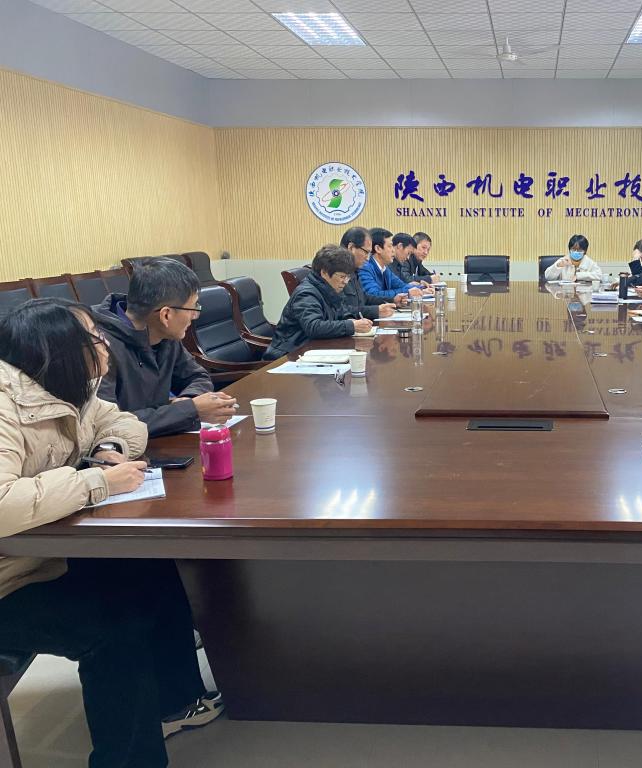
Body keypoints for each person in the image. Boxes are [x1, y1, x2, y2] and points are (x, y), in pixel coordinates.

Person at [0, 298, 222, 768]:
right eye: (94, 337)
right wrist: (96, 482)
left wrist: (107, 448)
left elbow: (124, 421)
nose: (105, 344)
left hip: (40, 556)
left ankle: (176, 702)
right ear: (58, 349)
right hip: (8, 581)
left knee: (152, 569)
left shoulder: (68, 390)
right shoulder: (6, 406)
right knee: (115, 626)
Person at [94, 257, 236, 437]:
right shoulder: (99, 348)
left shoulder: (164, 335)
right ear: (166, 315)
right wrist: (188, 410)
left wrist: (189, 400)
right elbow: (111, 424)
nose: (195, 316)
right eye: (193, 308)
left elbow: (197, 376)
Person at [264, 244, 373, 360]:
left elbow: (342, 311)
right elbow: (314, 327)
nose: (345, 282)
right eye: (342, 277)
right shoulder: (306, 293)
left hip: (314, 350)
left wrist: (351, 320)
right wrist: (351, 326)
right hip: (290, 355)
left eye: (347, 277)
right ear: (324, 272)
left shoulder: (330, 288)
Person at [358, 228, 431, 302]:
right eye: (390, 246)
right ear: (378, 249)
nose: (393, 250)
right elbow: (374, 294)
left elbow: (402, 285)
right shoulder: (365, 267)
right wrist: (408, 291)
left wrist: (421, 288)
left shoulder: (385, 269)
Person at [341, 226, 397, 317]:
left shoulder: (354, 270)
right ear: (351, 248)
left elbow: (364, 298)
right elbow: (341, 310)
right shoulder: (336, 272)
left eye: (369, 253)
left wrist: (393, 300)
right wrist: (375, 311)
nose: (367, 258)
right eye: (366, 252)